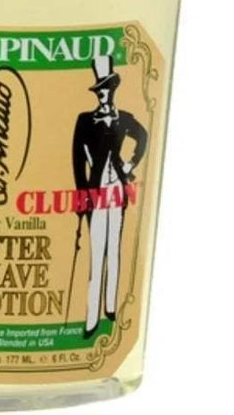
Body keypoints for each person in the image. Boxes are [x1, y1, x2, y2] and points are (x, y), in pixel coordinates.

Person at [71, 55, 148, 339]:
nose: (103, 93)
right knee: (96, 252)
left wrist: (129, 165)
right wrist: (82, 196)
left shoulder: (124, 119)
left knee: (114, 249)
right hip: (96, 193)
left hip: (117, 192)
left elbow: (144, 138)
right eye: (99, 89)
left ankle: (111, 307)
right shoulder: (85, 121)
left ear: (113, 89)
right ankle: (91, 318)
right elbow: (78, 161)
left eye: (106, 88)